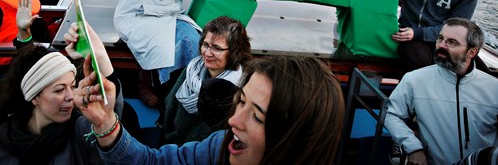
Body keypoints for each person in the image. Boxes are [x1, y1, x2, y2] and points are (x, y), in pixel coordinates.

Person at [75, 54, 345, 165]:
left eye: (258, 116)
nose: (233, 120)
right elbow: (153, 162)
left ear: (298, 141)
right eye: (241, 101)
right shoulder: (220, 147)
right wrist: (105, 122)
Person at [0, 0, 122, 164]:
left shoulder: (84, 133)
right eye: (60, 89)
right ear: (34, 98)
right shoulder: (2, 143)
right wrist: (23, 34)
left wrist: (99, 57)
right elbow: (31, 67)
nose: (71, 97)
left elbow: (109, 114)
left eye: (73, 86)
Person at [385, 18, 498, 165]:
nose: (441, 45)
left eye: (451, 42)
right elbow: (392, 115)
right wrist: (413, 148)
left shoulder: (494, 89)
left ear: (471, 52)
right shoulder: (414, 80)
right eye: (440, 38)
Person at [162, 16, 253, 145]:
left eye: (217, 48)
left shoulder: (238, 91)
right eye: (206, 45)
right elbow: (170, 106)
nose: (208, 53)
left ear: (235, 51)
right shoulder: (192, 70)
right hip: (171, 143)